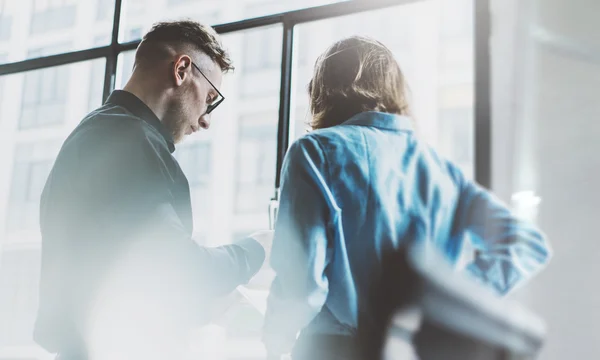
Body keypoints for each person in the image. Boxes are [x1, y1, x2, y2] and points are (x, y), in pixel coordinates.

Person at [262, 36, 552, 360]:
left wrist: (274, 341)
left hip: (333, 349)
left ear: (323, 90)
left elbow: (303, 285)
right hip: (412, 350)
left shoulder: (314, 151)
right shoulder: (442, 171)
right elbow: (525, 243)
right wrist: (440, 300)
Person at [34, 20, 269, 360]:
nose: (206, 120)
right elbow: (177, 267)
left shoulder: (96, 135)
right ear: (182, 69)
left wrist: (204, 306)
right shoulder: (128, 139)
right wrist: (257, 249)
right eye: (210, 98)